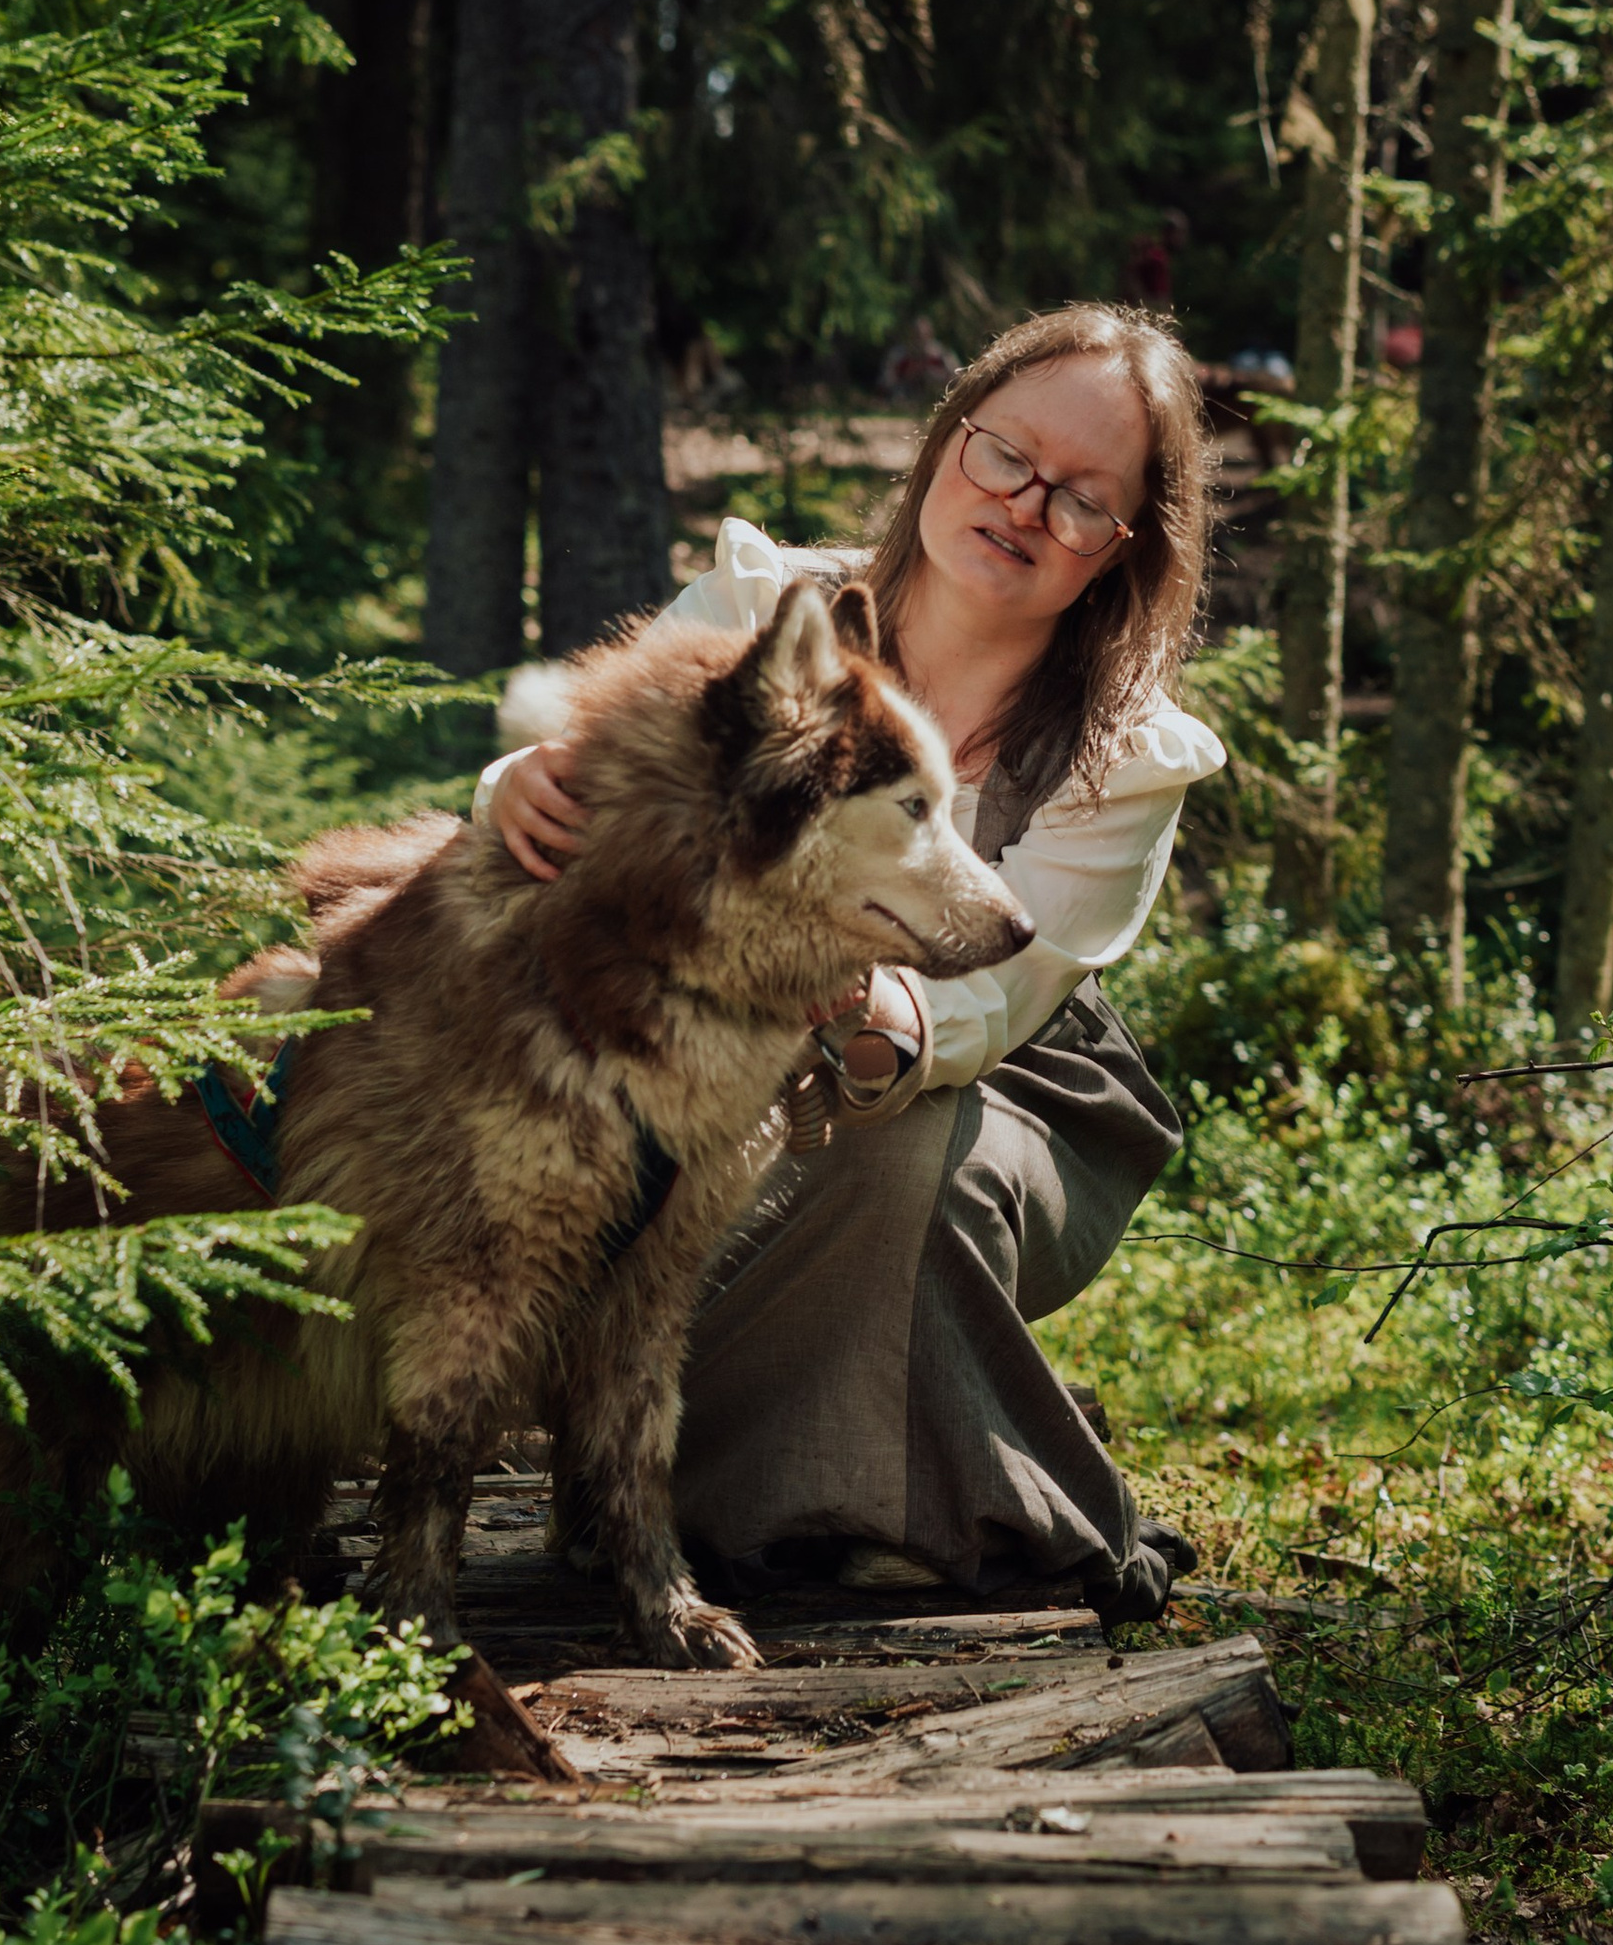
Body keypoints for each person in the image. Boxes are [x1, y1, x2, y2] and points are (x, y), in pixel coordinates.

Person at [476, 301, 1224, 1625]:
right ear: (950, 440)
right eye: (1008, 458)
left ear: (1121, 550)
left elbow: (1005, 994)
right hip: (703, 1034)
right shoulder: (773, 609)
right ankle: (658, 1461)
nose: (1027, 508)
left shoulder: (1126, 757)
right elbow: (608, 747)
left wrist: (881, 1018)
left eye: (1082, 500)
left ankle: (752, 1504)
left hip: (997, 1092)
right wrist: (517, 785)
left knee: (899, 1166)